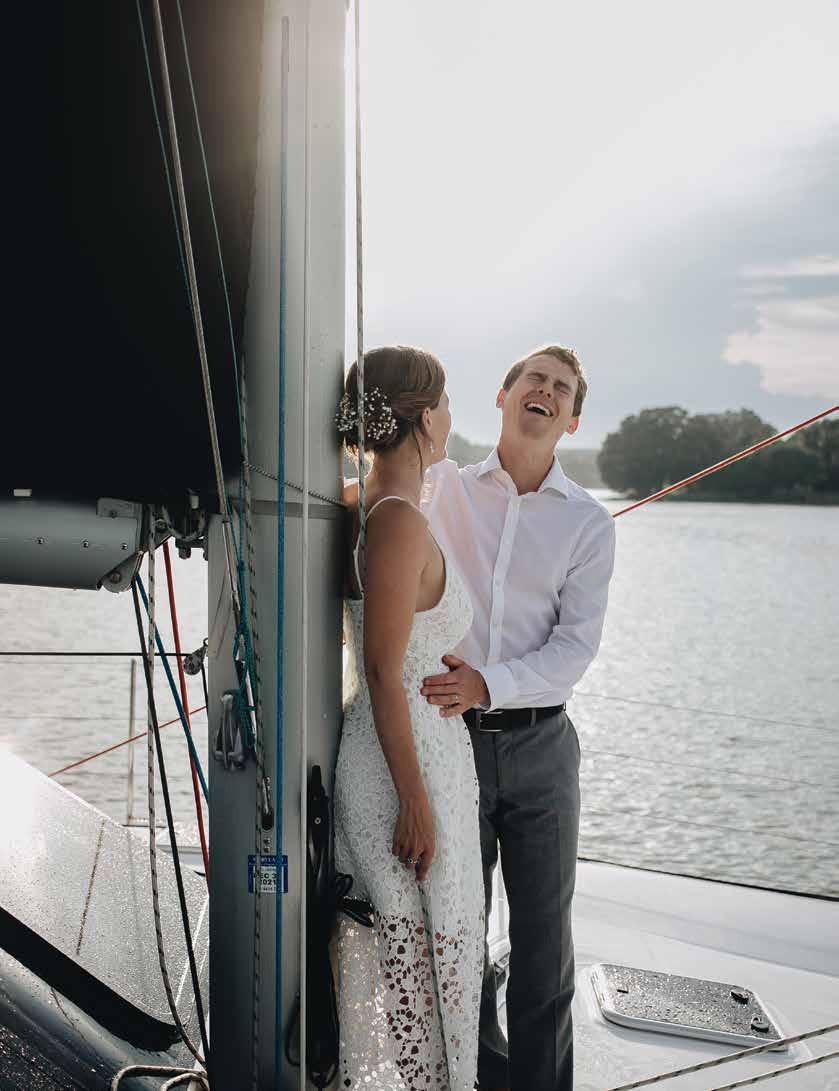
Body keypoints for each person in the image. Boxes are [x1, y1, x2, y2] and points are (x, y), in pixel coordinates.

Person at [421, 346, 616, 1091]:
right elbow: (376, 499)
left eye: (561, 388)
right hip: (450, 744)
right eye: (533, 378)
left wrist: (486, 683)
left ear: (572, 420)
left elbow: (574, 649)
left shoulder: (588, 524)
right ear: (503, 395)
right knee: (458, 934)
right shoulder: (443, 487)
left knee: (543, 949)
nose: (546, 390)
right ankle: (476, 1081)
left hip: (542, 750)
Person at [332, 346, 484, 1091]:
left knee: (422, 959)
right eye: (446, 403)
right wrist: (415, 802)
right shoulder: (393, 520)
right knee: (411, 968)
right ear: (424, 418)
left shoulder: (369, 503)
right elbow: (383, 670)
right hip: (404, 767)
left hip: (424, 756)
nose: (452, 417)